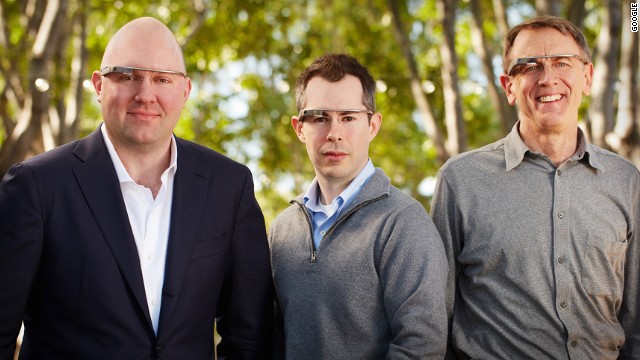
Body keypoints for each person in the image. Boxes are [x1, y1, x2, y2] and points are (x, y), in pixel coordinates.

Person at [0, 17, 273, 359]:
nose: (146, 94)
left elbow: (250, 337)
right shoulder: (36, 187)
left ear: (185, 90)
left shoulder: (228, 187)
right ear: (99, 85)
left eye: (162, 79)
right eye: (127, 76)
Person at [431, 15, 640, 359]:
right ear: (508, 86)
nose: (547, 78)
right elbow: (435, 315)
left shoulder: (625, 181)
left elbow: (634, 319)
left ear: (587, 77)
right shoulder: (460, 181)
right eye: (529, 66)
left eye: (562, 63)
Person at [269, 53, 448, 359]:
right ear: (299, 128)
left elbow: (422, 346)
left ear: (373, 125)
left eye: (348, 117)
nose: (334, 132)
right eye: (320, 117)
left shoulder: (403, 223)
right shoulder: (282, 229)